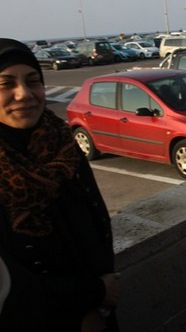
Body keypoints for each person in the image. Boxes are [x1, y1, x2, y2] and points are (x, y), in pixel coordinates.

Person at [0, 38, 120, 331]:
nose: (24, 94)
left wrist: (102, 308)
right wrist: (92, 296)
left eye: (33, 81)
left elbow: (95, 222)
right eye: (6, 84)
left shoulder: (61, 142)